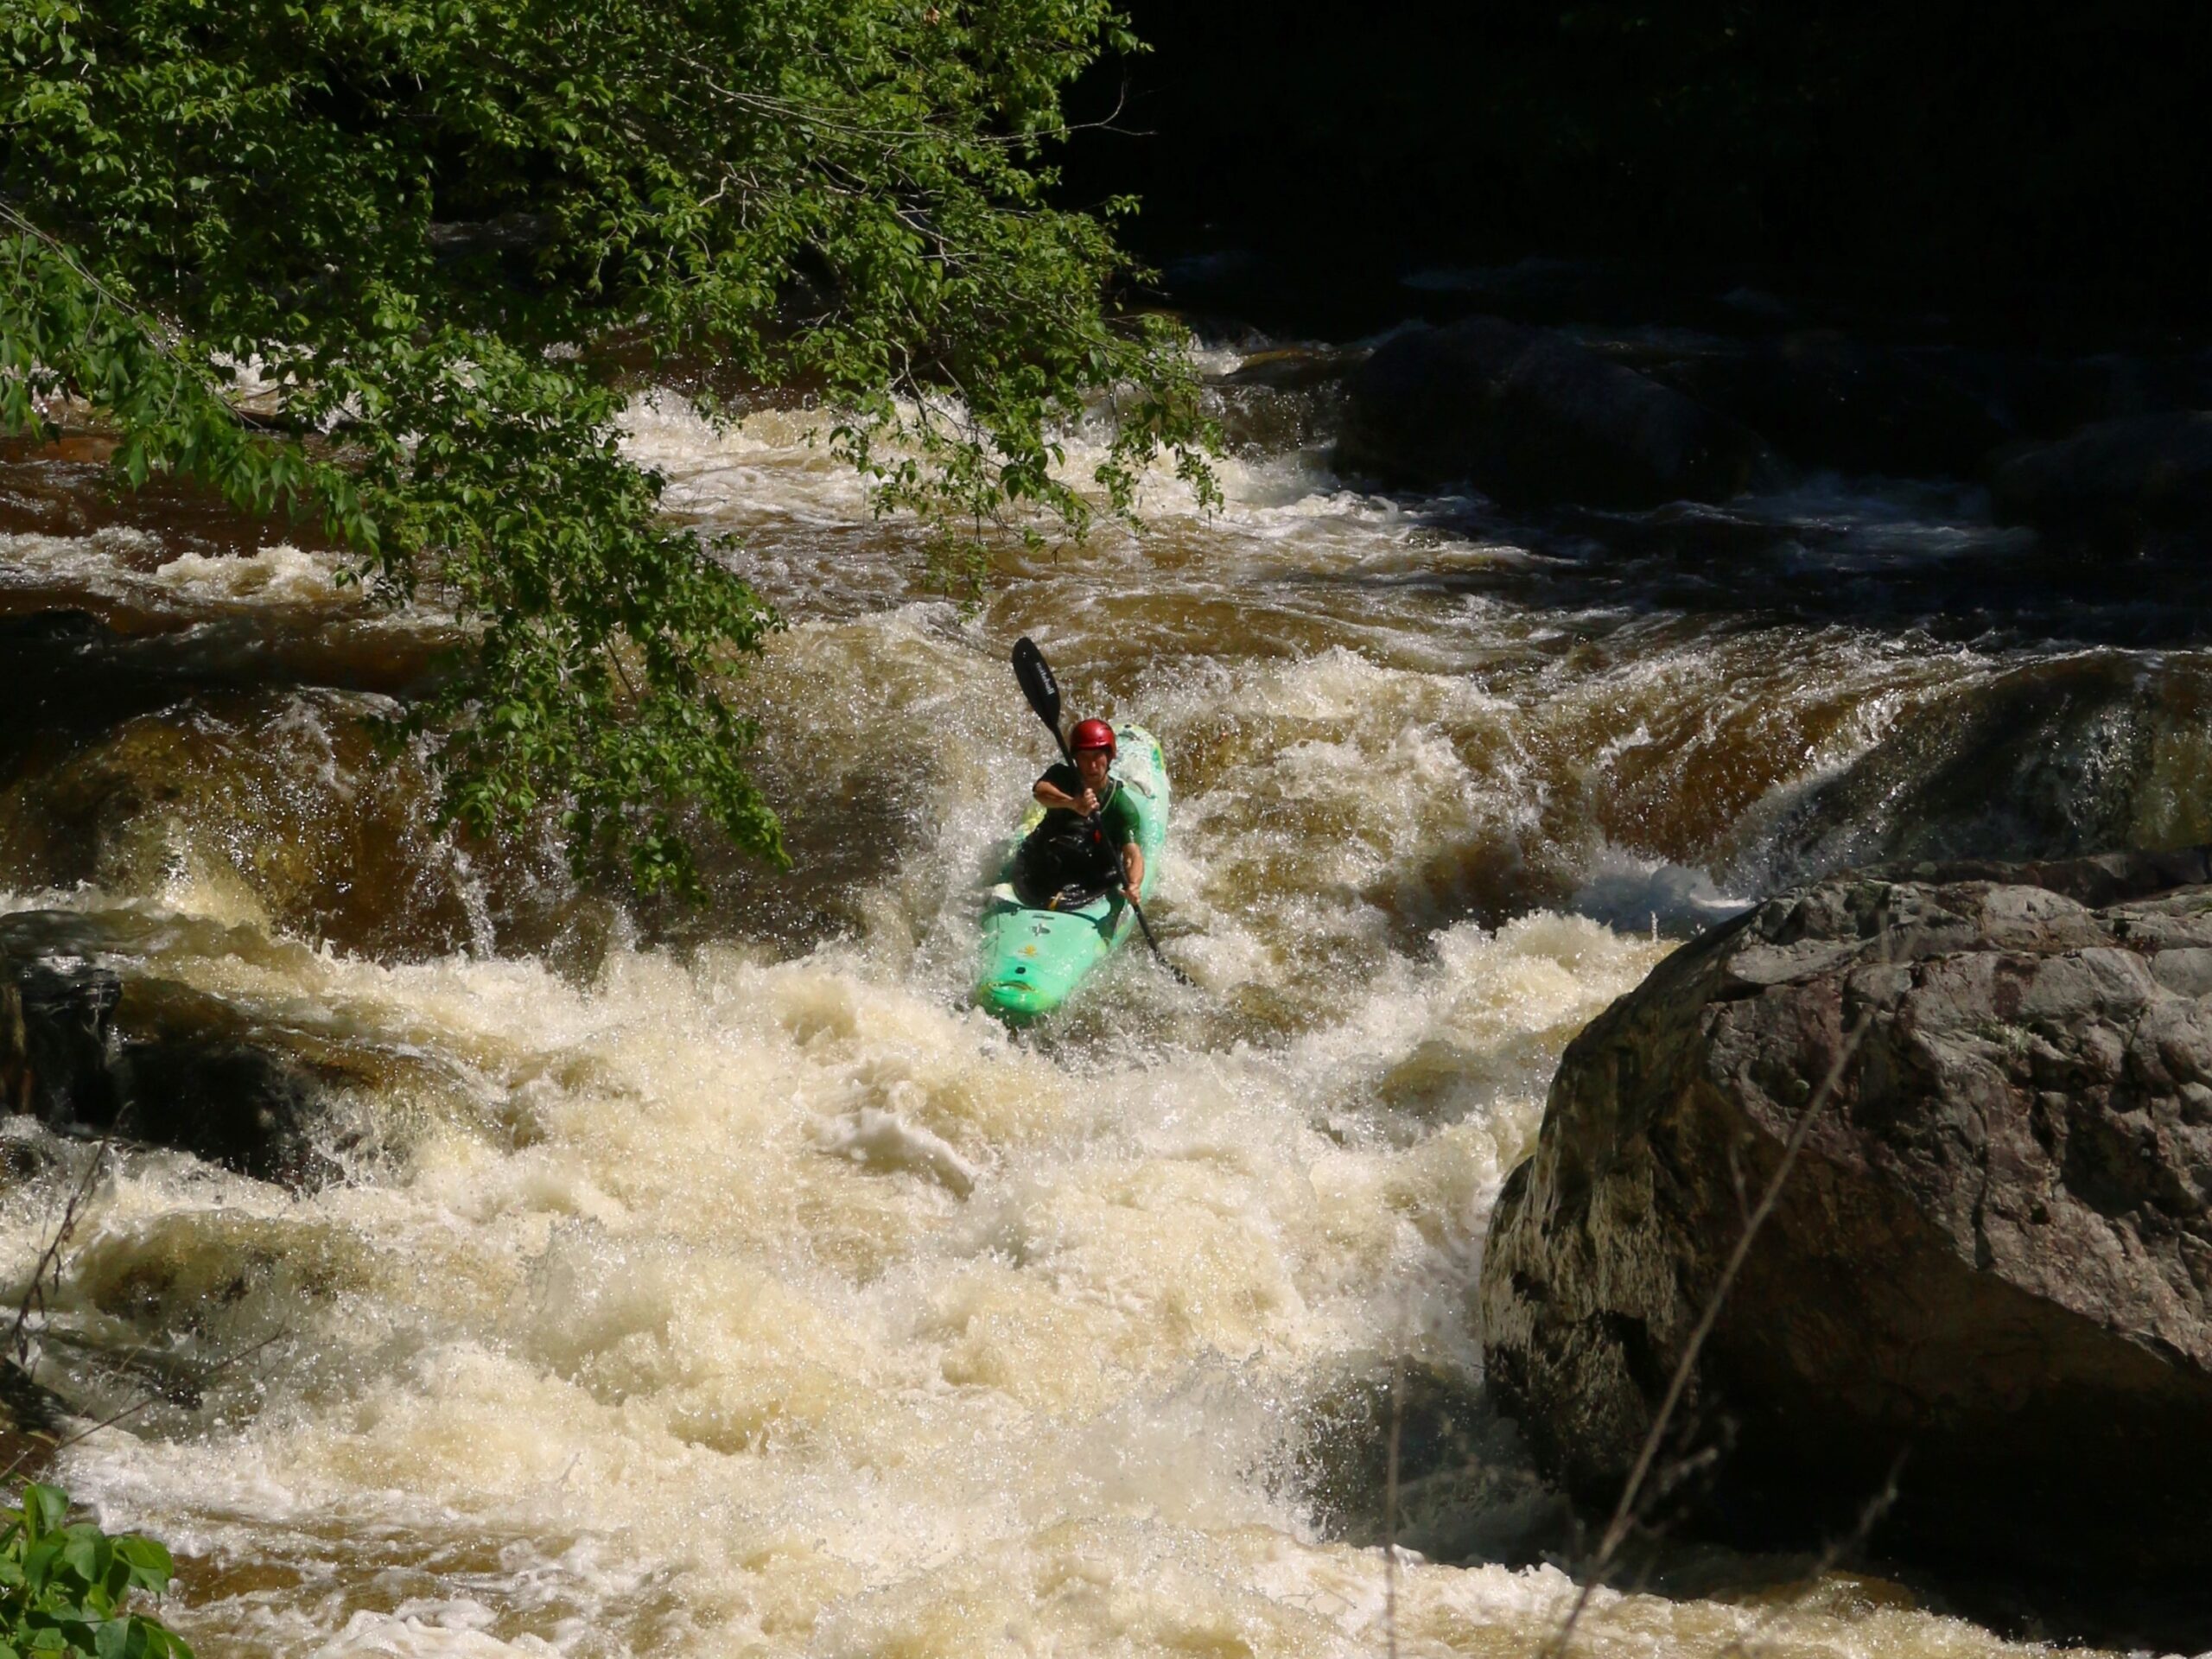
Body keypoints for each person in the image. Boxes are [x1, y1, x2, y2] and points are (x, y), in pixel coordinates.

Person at [1010, 718, 1144, 909]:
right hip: (1049, 858)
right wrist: (1073, 803)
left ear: (1109, 756)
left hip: (1090, 869)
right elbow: (1040, 792)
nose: (1092, 766)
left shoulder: (1120, 804)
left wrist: (1134, 885)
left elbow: (1132, 855)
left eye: (1098, 756)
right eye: (1084, 757)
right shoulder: (1061, 776)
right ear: (1075, 759)